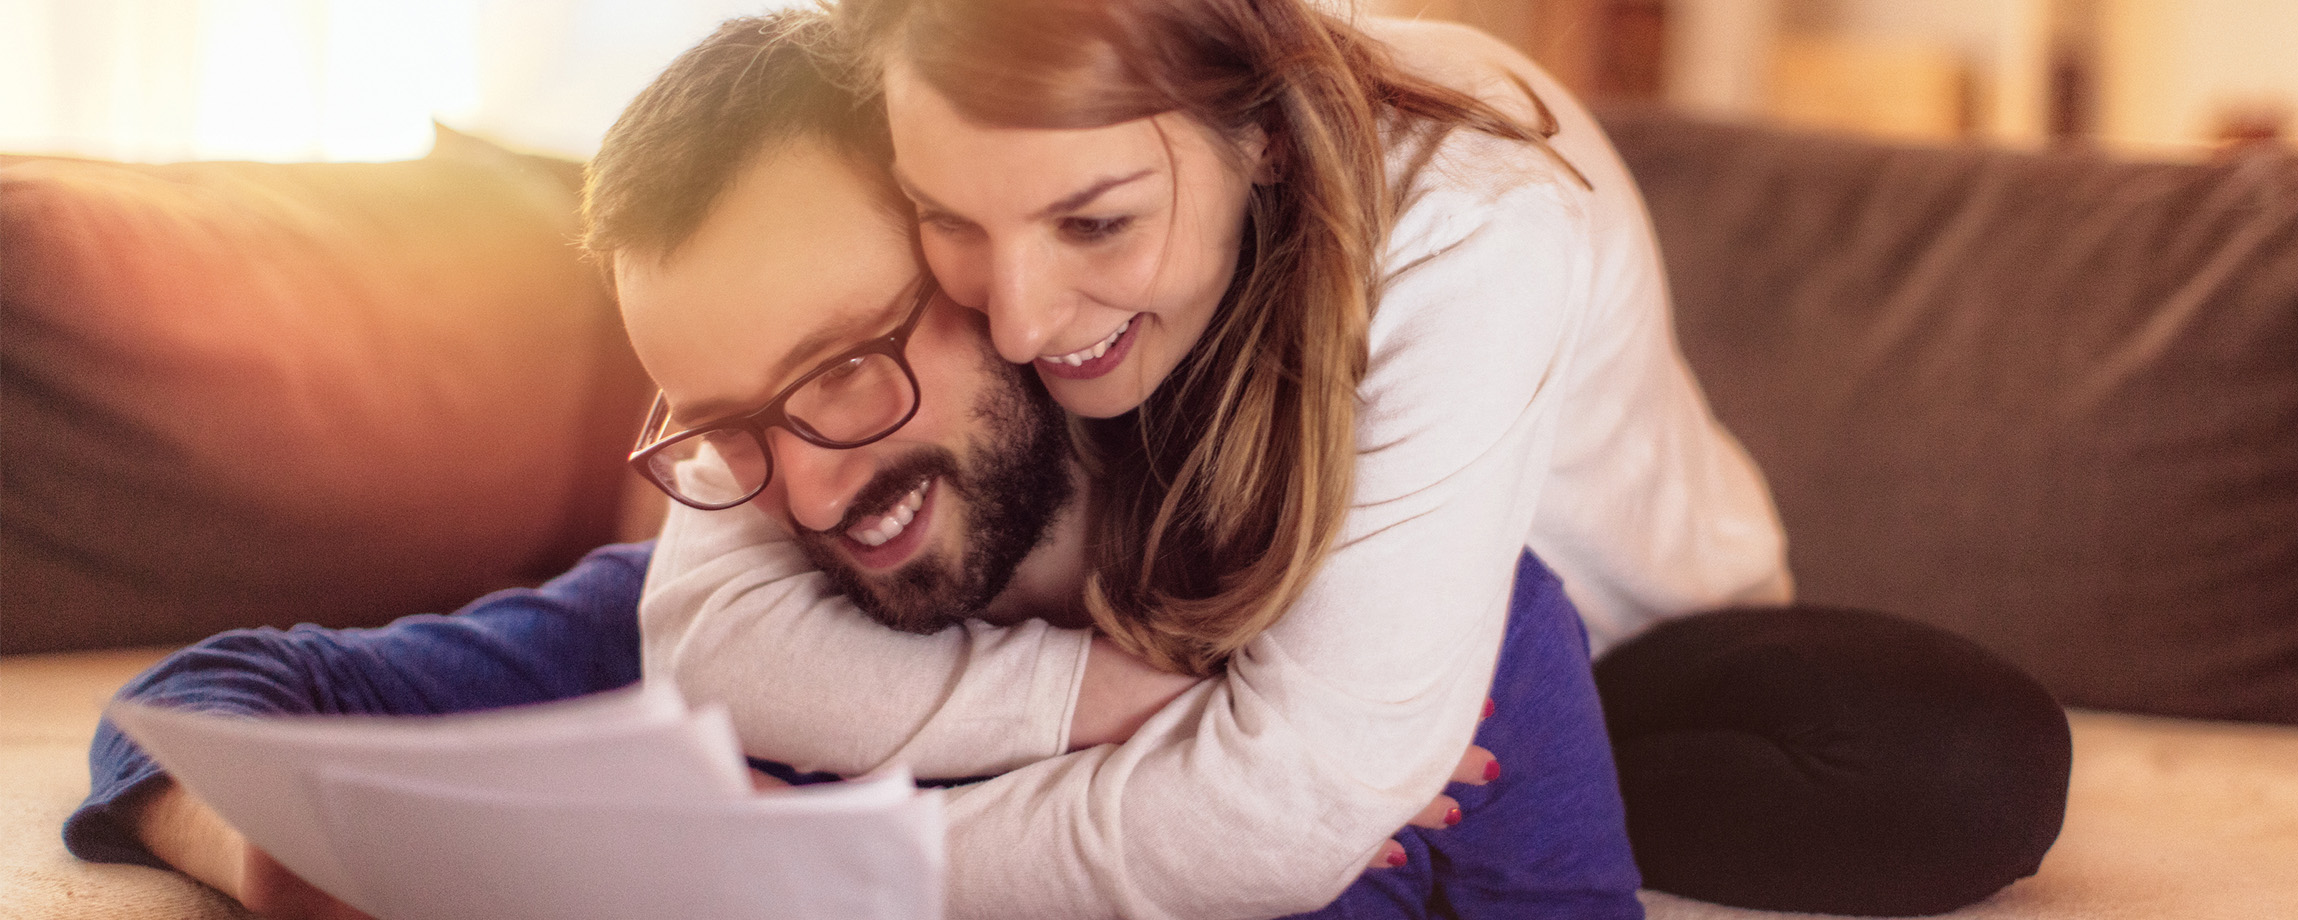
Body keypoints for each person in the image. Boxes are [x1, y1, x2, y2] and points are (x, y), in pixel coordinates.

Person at [67, 12, 1641, 919]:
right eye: (729, 429)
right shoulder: (759, 614)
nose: (810, 490)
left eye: (843, 372)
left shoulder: (1465, 642)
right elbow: (192, 713)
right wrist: (279, 869)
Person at [645, 2, 2070, 918]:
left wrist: (848, 867)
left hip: (1622, 644)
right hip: (1200, 642)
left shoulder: (1475, 213)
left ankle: (1433, 776)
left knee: (1964, 763)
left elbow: (1284, 811)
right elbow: (710, 629)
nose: (1012, 320)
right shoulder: (918, 117)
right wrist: (1094, 698)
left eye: (1095, 225)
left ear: (1259, 140)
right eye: (946, 220)